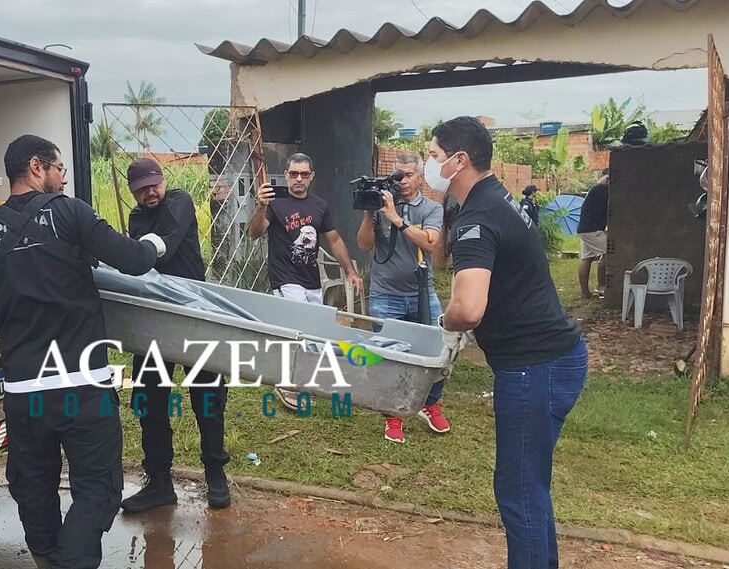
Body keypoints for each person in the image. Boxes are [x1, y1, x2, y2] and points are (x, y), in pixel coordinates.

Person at [0, 135, 168, 569]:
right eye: (59, 169)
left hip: (24, 393)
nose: (62, 178)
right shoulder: (70, 213)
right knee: (97, 490)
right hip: (81, 387)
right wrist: (155, 244)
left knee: (33, 488)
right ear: (37, 167)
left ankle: (47, 559)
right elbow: (133, 260)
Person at [432, 117, 586, 569]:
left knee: (519, 489)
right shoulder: (497, 198)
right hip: (552, 358)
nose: (428, 164)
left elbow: (467, 309)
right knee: (528, 486)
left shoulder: (478, 216)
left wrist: (445, 320)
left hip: (534, 366)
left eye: (434, 155)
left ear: (460, 161)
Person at [120, 157, 232, 512]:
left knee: (208, 398)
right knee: (149, 400)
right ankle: (158, 481)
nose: (150, 192)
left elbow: (161, 247)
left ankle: (215, 472)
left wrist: (135, 252)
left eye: (154, 184)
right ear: (132, 192)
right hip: (154, 321)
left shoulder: (180, 200)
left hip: (195, 316)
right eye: (142, 189)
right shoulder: (137, 218)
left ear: (163, 181)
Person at [247, 152, 363, 410]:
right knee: (296, 329)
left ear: (311, 176)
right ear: (286, 175)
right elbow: (254, 233)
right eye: (293, 173)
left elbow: (334, 239)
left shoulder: (319, 205)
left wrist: (350, 270)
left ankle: (305, 378)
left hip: (311, 280)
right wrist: (261, 206)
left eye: (304, 174)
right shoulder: (275, 203)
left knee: (314, 331)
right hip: (285, 278)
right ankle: (287, 382)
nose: (298, 178)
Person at [355, 151, 449, 443]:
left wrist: (396, 219)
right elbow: (364, 244)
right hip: (385, 294)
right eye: (398, 176)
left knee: (438, 349)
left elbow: (431, 243)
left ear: (420, 177)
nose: (403, 181)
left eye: (409, 175)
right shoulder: (382, 207)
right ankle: (393, 416)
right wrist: (371, 211)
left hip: (422, 291)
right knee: (389, 355)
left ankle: (430, 404)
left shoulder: (432, 208)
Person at [577, 173, 609, 298]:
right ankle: (601, 286)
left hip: (584, 228)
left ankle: (585, 292)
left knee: (587, 258)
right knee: (608, 253)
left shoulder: (595, 189)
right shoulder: (603, 190)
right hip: (593, 229)